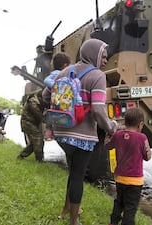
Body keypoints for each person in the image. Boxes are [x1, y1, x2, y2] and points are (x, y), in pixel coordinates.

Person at [42, 38, 118, 225]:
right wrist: (111, 127)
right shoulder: (98, 76)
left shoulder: (65, 72)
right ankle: (74, 221)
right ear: (94, 54)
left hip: (61, 132)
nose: (105, 60)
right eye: (103, 56)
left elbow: (45, 95)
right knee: (77, 175)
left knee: (73, 171)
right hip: (83, 136)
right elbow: (99, 110)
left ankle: (65, 210)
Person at [105, 108, 152, 225]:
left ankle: (113, 222)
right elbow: (147, 156)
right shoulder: (142, 138)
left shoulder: (118, 135)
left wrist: (108, 134)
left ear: (125, 122)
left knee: (119, 202)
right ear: (140, 124)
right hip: (135, 181)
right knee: (130, 208)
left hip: (120, 178)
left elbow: (107, 146)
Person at [43, 52, 71, 141]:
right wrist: (57, 87)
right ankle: (49, 134)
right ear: (65, 65)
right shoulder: (57, 74)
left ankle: (49, 134)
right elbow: (47, 80)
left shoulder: (61, 74)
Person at [17, 89, 48, 162]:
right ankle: (39, 160)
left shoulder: (37, 100)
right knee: (38, 139)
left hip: (32, 123)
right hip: (28, 123)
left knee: (34, 143)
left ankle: (21, 156)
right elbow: (38, 114)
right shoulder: (33, 101)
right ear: (40, 97)